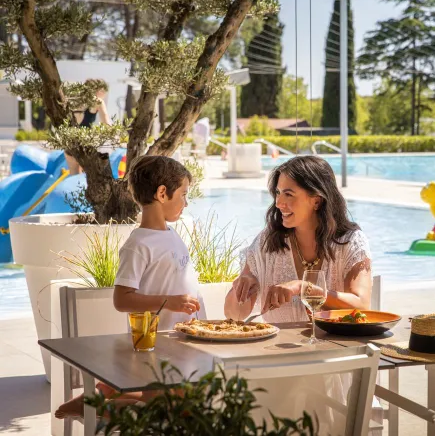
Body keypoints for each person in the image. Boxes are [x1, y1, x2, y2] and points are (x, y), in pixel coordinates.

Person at [55, 155, 205, 419]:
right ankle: (95, 405)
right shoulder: (139, 244)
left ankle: (102, 393)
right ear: (162, 193)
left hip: (183, 339)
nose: (186, 202)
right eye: (183, 194)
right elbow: (122, 300)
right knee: (175, 411)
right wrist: (168, 302)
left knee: (182, 403)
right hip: (158, 345)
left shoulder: (170, 233)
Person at [224, 155, 372, 323]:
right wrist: (241, 290)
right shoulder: (267, 242)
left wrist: (303, 287)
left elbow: (361, 305)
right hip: (275, 348)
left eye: (288, 194)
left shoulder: (350, 242)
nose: (279, 203)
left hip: (336, 348)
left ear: (316, 201)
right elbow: (232, 315)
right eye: (278, 193)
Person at [65, 79, 113, 175]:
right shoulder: (97, 101)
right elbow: (107, 124)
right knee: (93, 178)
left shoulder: (73, 101)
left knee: (74, 179)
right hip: (84, 145)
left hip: (69, 144)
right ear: (98, 90)